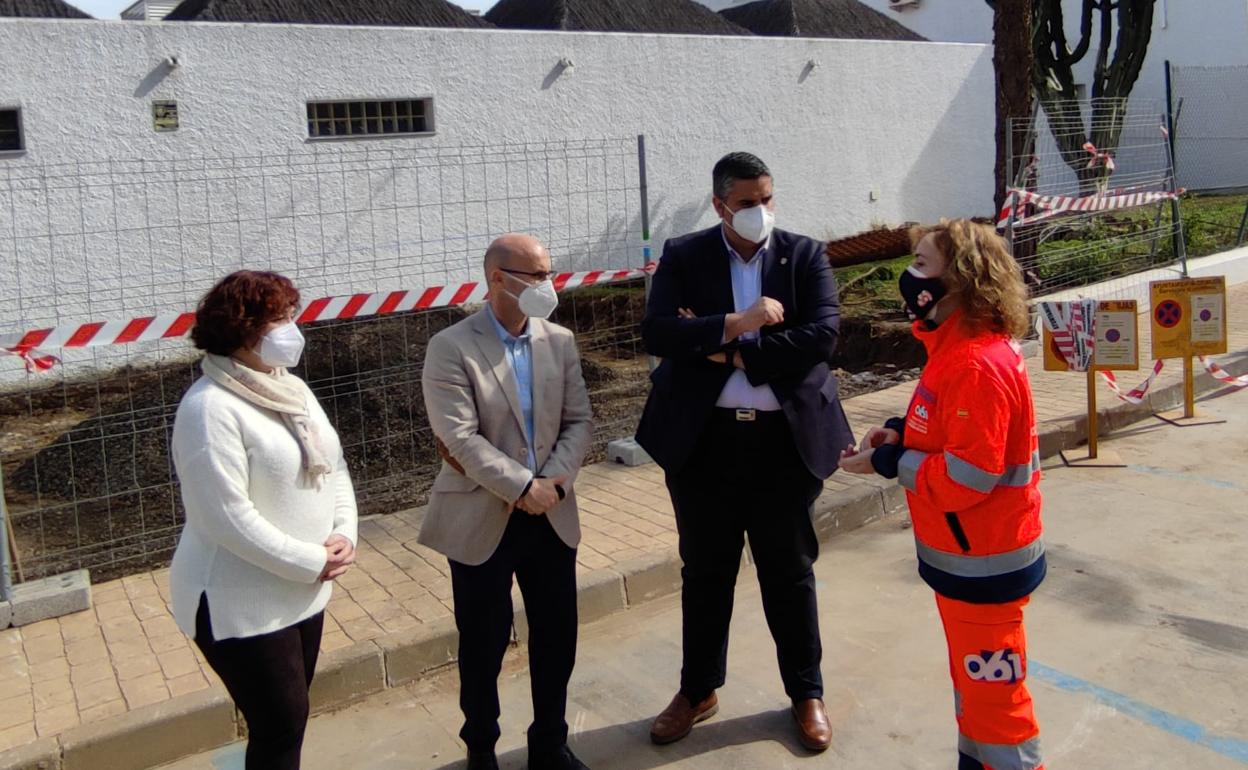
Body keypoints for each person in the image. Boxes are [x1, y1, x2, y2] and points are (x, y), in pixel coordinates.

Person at [635, 152, 853, 752]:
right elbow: (658, 333)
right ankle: (697, 689)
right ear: (720, 205)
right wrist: (741, 320)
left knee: (789, 572)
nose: (761, 212)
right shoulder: (686, 255)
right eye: (748, 203)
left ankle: (806, 693)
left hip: (782, 443)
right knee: (706, 572)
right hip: (706, 444)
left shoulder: (804, 254)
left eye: (768, 199)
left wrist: (723, 347)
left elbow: (822, 337)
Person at [839, 220, 1046, 770]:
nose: (910, 278)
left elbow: (968, 477)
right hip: (968, 561)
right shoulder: (957, 348)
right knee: (974, 695)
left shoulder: (977, 362)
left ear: (960, 282)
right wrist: (899, 433)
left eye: (923, 266)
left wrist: (891, 462)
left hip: (984, 562)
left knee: (998, 706)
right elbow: (948, 429)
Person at [169, 270, 359, 770]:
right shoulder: (209, 409)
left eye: (291, 315)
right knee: (279, 726)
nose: (291, 329)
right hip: (241, 602)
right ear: (242, 328)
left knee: (289, 722)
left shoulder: (289, 388)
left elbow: (333, 465)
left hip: (302, 589)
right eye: (278, 319)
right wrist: (309, 560)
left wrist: (344, 532)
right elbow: (225, 517)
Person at [420, 234, 594, 770]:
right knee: (484, 643)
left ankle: (549, 743)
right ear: (498, 279)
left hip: (552, 515)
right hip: (482, 516)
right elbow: (459, 439)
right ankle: (482, 749)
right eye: (536, 275)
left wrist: (555, 484)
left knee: (556, 635)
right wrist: (523, 487)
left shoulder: (558, 340)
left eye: (548, 273)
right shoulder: (451, 347)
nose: (548, 285)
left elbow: (579, 420)